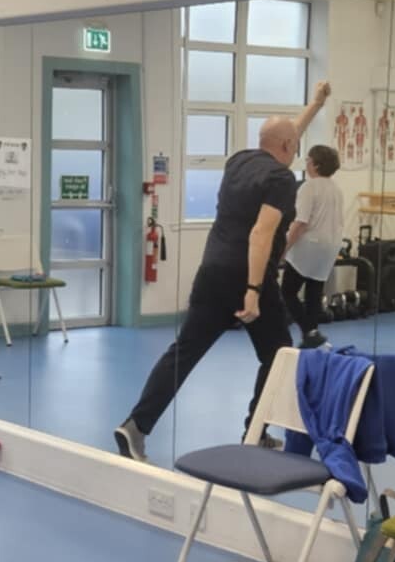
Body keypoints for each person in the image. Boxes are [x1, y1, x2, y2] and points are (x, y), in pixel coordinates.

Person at [114, 81, 332, 465]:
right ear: (285, 148)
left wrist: (316, 104)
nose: (297, 148)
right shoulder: (281, 180)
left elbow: (286, 133)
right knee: (279, 355)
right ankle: (255, 432)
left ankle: (136, 425)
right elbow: (261, 233)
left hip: (211, 270)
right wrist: (252, 290)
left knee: (184, 351)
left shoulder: (239, 160)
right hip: (247, 277)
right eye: (294, 144)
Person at [281, 143, 344, 348]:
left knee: (288, 292)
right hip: (330, 245)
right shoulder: (336, 189)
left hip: (309, 245)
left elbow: (301, 222)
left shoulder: (309, 187)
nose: (306, 163)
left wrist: (284, 248)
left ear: (316, 165)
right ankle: (312, 333)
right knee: (314, 291)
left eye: (308, 159)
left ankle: (309, 331)